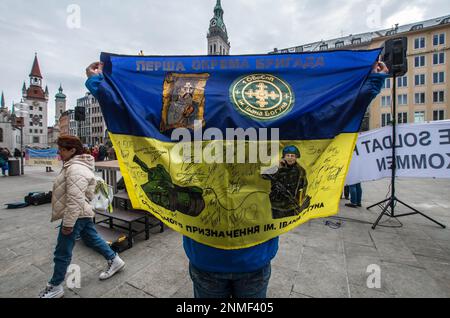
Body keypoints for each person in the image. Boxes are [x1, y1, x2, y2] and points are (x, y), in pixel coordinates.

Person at [84, 59, 388, 298]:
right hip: (253, 258)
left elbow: (135, 112)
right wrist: (370, 83)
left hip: (207, 257)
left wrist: (100, 84)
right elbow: (326, 112)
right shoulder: (266, 151)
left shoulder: (193, 151)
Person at [38, 136, 125, 298]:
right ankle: (114, 260)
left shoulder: (75, 168)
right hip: (82, 212)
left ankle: (55, 286)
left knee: (62, 251)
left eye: (62, 149)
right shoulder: (74, 165)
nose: (59, 152)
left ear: (72, 150)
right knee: (93, 239)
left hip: (76, 213)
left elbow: (75, 199)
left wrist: (68, 224)